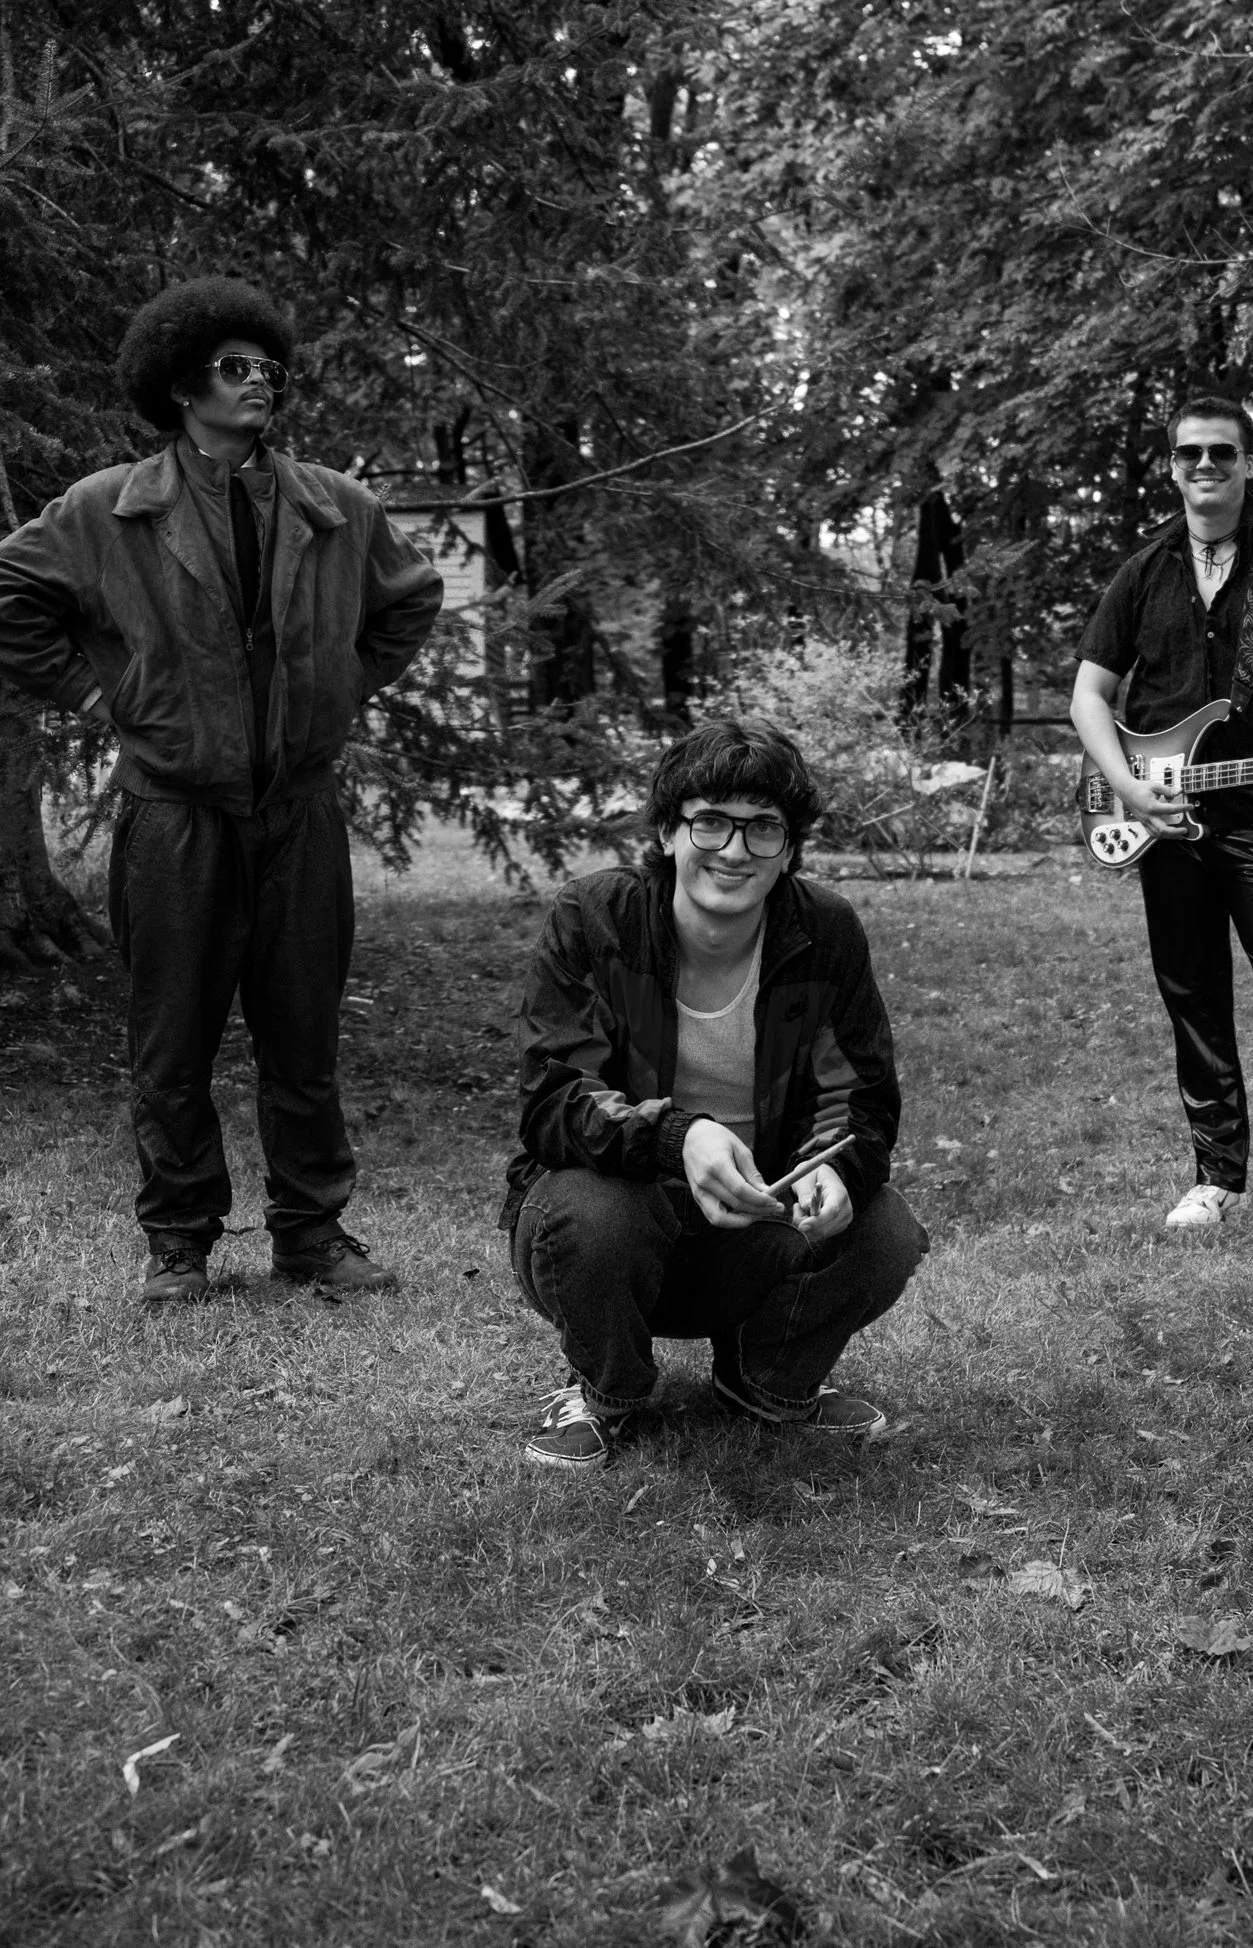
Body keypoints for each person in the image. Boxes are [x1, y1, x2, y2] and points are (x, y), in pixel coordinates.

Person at [0, 278, 443, 1303]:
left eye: (269, 369)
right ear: (180, 382)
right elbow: (11, 594)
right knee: (171, 1038)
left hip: (299, 811)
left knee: (303, 1035)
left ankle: (313, 1236)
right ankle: (180, 1245)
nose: (259, 385)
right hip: (173, 815)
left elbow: (409, 600)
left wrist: (337, 685)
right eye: (235, 368)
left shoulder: (337, 505)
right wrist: (102, 690)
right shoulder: (110, 508)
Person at [509, 718, 927, 1469]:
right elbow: (555, 1097)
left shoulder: (823, 930)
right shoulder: (596, 917)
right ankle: (607, 1391)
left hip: (757, 1214)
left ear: (790, 847)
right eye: (710, 822)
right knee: (593, 1212)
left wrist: (834, 1168)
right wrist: (678, 1136)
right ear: (669, 831)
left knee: (885, 1228)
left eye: (763, 827)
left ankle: (767, 1381)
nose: (735, 851)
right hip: (613, 1211)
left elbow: (861, 1097)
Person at [1070, 391, 1253, 1246]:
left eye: (1222, 454)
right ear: (1171, 466)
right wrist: (1129, 789)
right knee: (1192, 995)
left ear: (1249, 466)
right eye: (1190, 454)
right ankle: (1215, 1178)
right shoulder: (1143, 570)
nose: (1205, 467)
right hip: (1163, 822)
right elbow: (1091, 695)